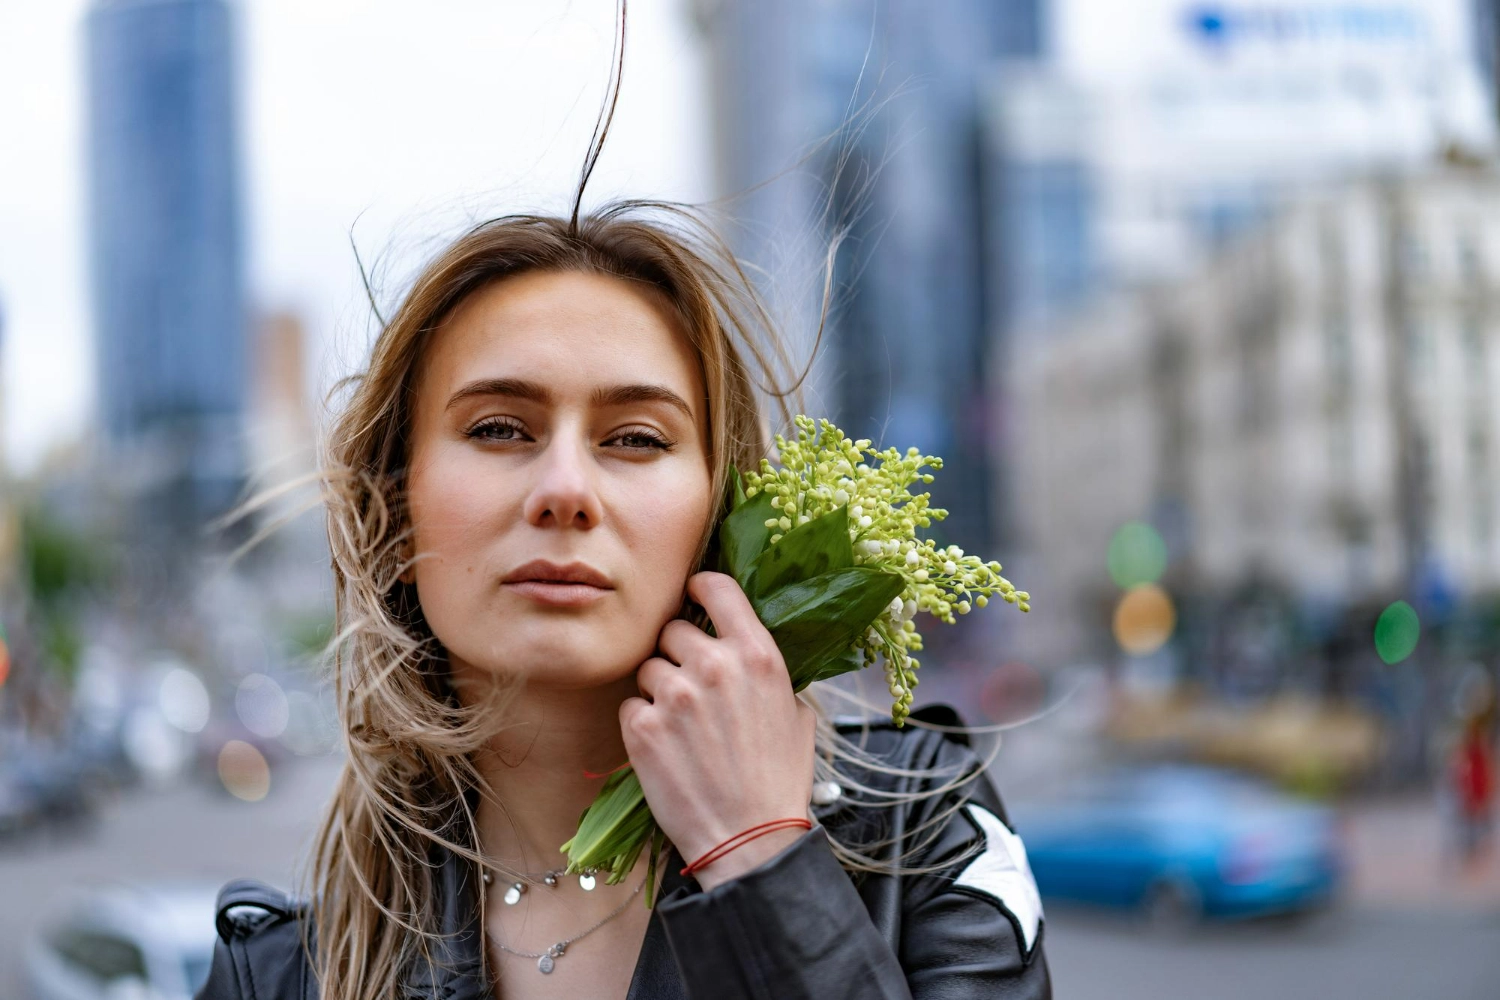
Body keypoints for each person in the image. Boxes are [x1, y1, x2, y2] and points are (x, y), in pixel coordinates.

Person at [197, 7, 1051, 999]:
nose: (565, 490)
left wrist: (764, 855)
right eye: (499, 429)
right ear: (391, 520)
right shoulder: (280, 976)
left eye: (635, 439)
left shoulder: (918, 829)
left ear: (727, 518)